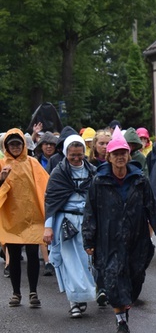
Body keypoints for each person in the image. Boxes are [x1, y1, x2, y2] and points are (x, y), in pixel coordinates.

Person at [82, 127, 156, 333]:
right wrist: (88, 238)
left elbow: (152, 208)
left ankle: (125, 306)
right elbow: (90, 212)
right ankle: (121, 321)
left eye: (123, 153)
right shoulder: (98, 181)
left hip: (137, 239)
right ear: (109, 157)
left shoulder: (140, 180)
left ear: (128, 155)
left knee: (135, 278)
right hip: (109, 239)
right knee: (113, 280)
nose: (120, 157)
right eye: (116, 154)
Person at [43, 135, 97, 318]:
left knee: (87, 261)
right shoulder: (59, 174)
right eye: (72, 155)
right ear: (66, 153)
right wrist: (48, 227)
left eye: (79, 155)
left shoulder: (92, 173)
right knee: (70, 263)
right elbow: (51, 201)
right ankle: (74, 301)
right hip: (66, 223)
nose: (76, 159)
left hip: (88, 222)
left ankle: (86, 295)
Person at [0, 129, 49, 308]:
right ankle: (16, 293)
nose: (15, 147)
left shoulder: (32, 163)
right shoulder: (2, 164)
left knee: (32, 255)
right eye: (11, 144)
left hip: (32, 218)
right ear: (6, 146)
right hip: (11, 219)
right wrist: (1, 180)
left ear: (23, 145)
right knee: (13, 256)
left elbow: (45, 185)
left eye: (18, 144)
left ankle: (33, 292)